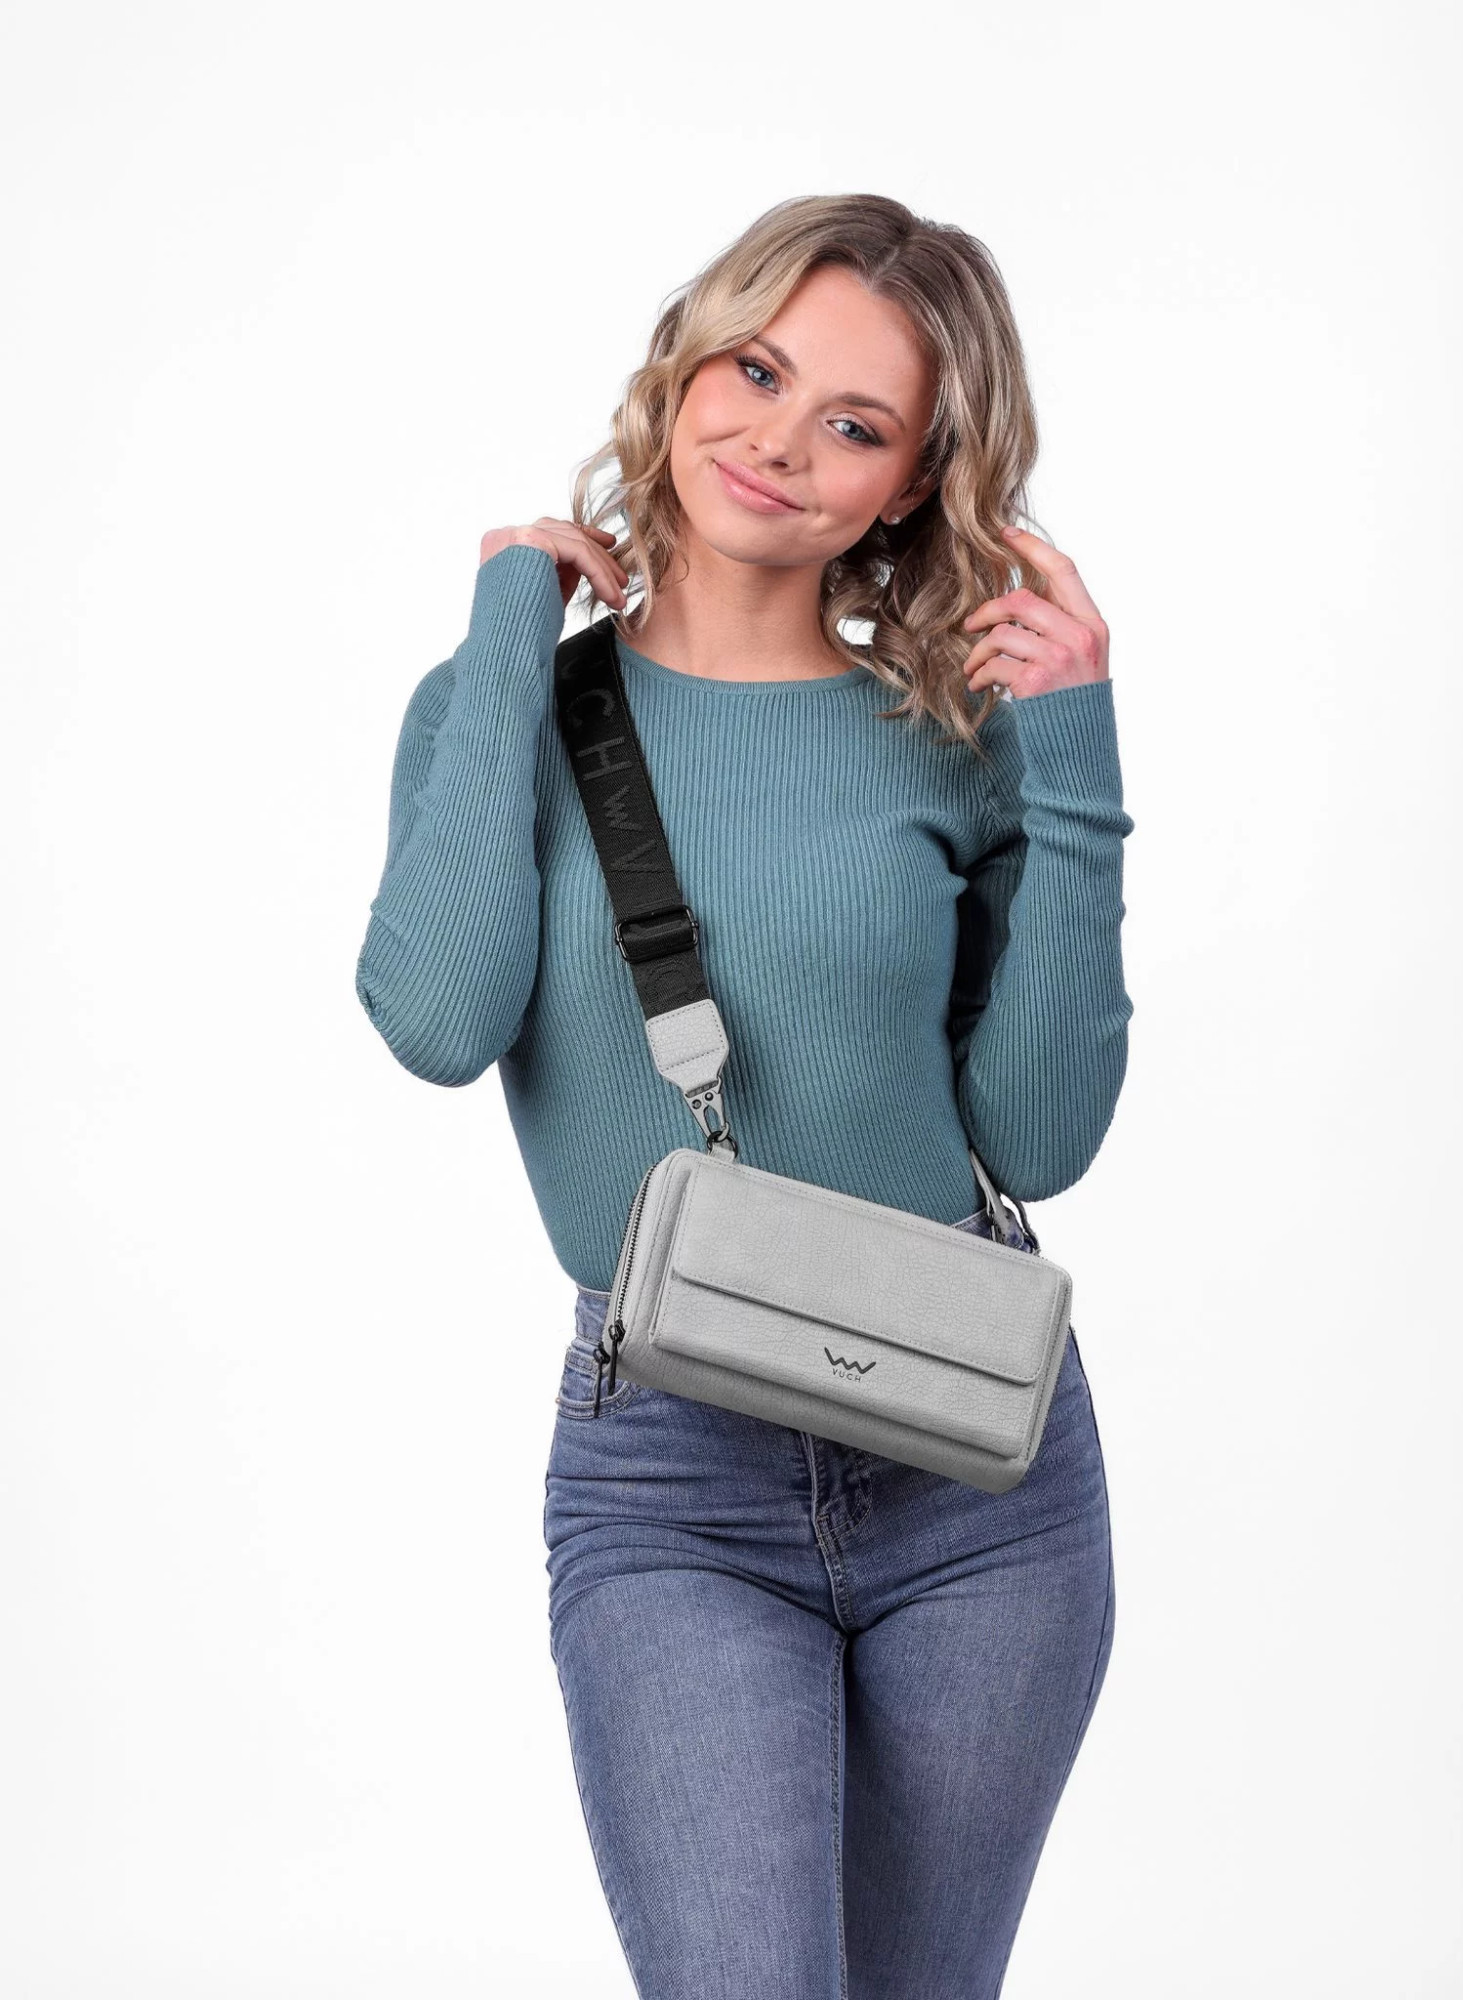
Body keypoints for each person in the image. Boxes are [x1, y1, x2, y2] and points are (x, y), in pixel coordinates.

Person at [355, 192, 1133, 1999]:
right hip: (672, 1485)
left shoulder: (955, 745)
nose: (780, 443)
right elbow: (438, 1018)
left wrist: (1076, 749)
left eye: (854, 423)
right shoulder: (501, 708)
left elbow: (1040, 1138)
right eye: (759, 371)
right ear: (687, 360)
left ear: (913, 486)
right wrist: (510, 618)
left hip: (980, 1480)